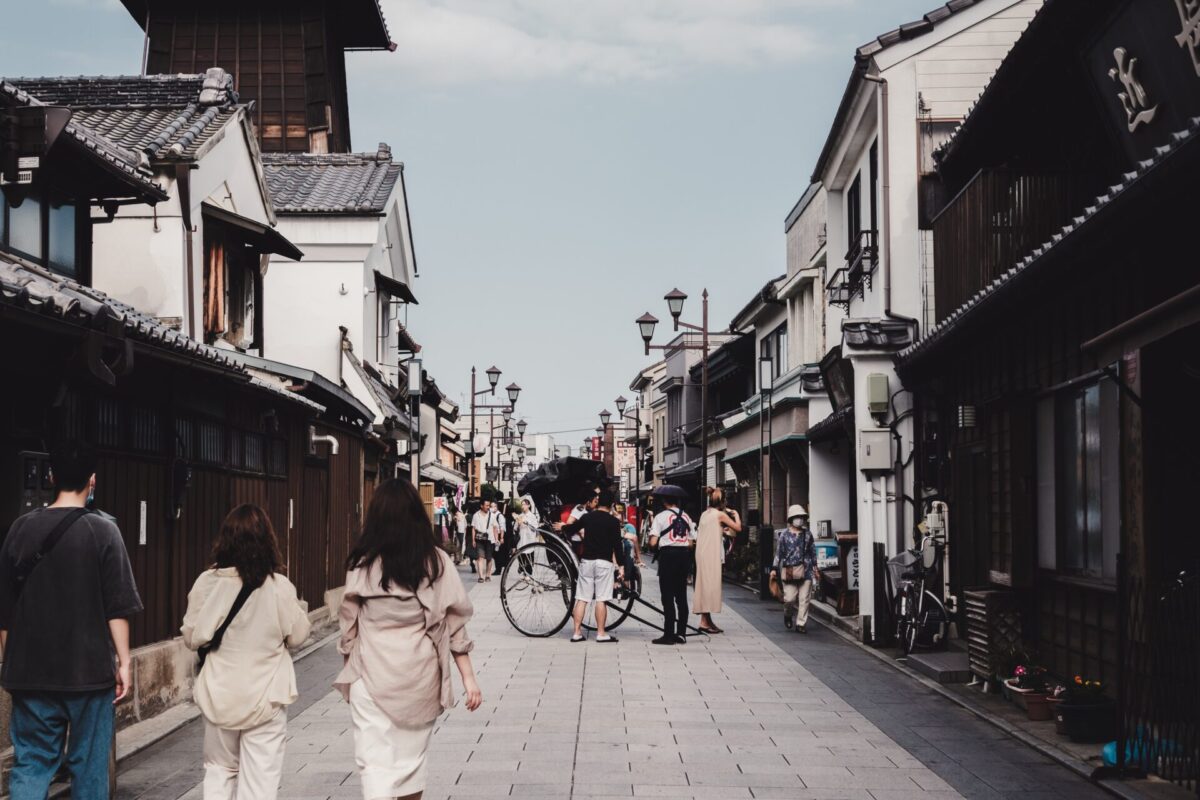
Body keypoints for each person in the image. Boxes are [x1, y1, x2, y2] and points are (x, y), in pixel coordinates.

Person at [0, 442, 142, 799]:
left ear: (51, 477)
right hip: (88, 673)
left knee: (31, 764)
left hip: (30, 673)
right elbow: (117, 606)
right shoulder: (104, 531)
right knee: (89, 768)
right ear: (91, 481)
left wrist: (10, 660)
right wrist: (124, 662)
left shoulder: (19, 529)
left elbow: (6, 608)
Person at [336, 479, 482, 800]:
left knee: (374, 766)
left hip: (370, 675)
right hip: (419, 677)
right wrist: (469, 679)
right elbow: (455, 625)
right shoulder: (437, 562)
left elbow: (348, 628)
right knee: (410, 766)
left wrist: (350, 669)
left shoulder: (362, 563)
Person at [181, 505, 312, 800]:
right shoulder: (278, 587)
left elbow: (192, 636)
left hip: (219, 692)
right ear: (267, 540)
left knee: (218, 770)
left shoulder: (207, 583)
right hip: (266, 695)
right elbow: (298, 635)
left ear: (225, 540)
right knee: (260, 781)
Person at [565, 488, 625, 643]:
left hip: (587, 561)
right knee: (601, 599)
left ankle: (577, 633)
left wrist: (562, 527)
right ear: (612, 504)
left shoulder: (587, 517)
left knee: (582, 598)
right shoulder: (613, 522)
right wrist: (622, 566)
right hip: (604, 562)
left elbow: (571, 529)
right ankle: (601, 633)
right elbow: (617, 546)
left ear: (598, 502)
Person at [648, 492, 695, 645]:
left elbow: (653, 543)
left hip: (668, 556)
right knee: (681, 596)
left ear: (664, 501)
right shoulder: (686, 517)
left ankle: (668, 634)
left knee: (667, 596)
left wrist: (656, 538)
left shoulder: (660, 517)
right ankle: (681, 634)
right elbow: (690, 543)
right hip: (683, 557)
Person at [693, 488, 741, 635]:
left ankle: (706, 621)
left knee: (703, 586)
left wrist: (722, 530)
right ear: (723, 502)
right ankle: (704, 622)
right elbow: (738, 528)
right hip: (711, 554)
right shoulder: (719, 515)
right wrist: (736, 515)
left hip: (701, 554)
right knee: (711, 587)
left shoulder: (704, 514)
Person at [771, 505, 819, 633]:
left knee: (805, 599)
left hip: (806, 568)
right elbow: (779, 553)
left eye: (802, 517)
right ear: (791, 519)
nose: (800, 520)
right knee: (789, 599)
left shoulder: (808, 534)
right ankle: (788, 614)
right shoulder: (784, 535)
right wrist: (774, 568)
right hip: (789, 570)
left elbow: (813, 551)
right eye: (797, 517)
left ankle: (800, 624)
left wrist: (815, 567)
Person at [469, 500, 502, 582]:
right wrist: (473, 540)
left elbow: (495, 528)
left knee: (489, 558)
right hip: (479, 539)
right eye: (487, 505)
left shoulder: (492, 515)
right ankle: (481, 577)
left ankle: (487, 575)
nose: (488, 507)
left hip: (490, 539)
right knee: (480, 558)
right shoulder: (476, 515)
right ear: (481, 506)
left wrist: (496, 539)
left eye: (489, 506)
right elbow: (473, 528)